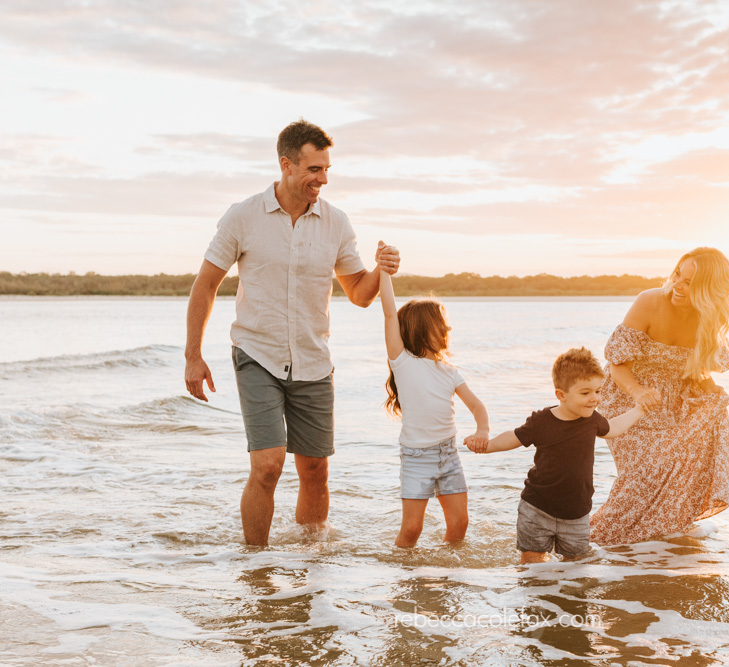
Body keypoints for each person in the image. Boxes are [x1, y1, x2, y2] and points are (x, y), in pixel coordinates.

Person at [184, 119, 400, 547]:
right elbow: (205, 285)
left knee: (315, 469)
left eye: (326, 170)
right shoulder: (243, 216)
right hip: (256, 354)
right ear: (286, 164)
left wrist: (381, 270)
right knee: (267, 465)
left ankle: (311, 565)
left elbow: (358, 293)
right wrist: (194, 354)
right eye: (314, 169)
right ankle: (255, 568)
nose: (322, 179)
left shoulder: (336, 223)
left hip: (314, 360)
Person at [590, 247, 729, 545]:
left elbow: (696, 370)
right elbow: (618, 365)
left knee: (674, 476)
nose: (677, 286)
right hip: (627, 396)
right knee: (641, 477)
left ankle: (658, 542)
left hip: (675, 400)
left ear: (709, 291)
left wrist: (711, 389)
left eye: (689, 282)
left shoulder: (707, 319)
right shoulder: (650, 302)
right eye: (677, 276)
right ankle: (599, 540)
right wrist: (638, 392)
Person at [468, 347, 647, 563]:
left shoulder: (592, 420)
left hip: (576, 512)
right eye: (585, 393)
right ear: (561, 395)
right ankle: (536, 595)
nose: (595, 399)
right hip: (537, 508)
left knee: (576, 565)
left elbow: (614, 428)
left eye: (598, 391)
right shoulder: (541, 421)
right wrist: (486, 446)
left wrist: (640, 410)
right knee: (532, 562)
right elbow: (514, 437)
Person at [379, 265, 490, 547]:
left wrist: (482, 431)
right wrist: (383, 271)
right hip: (417, 457)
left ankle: (448, 571)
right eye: (441, 325)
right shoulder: (403, 362)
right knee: (412, 529)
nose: (448, 329)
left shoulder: (450, 371)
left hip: (448, 454)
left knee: (459, 523)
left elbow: (477, 406)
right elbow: (390, 313)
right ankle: (403, 575)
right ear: (420, 329)